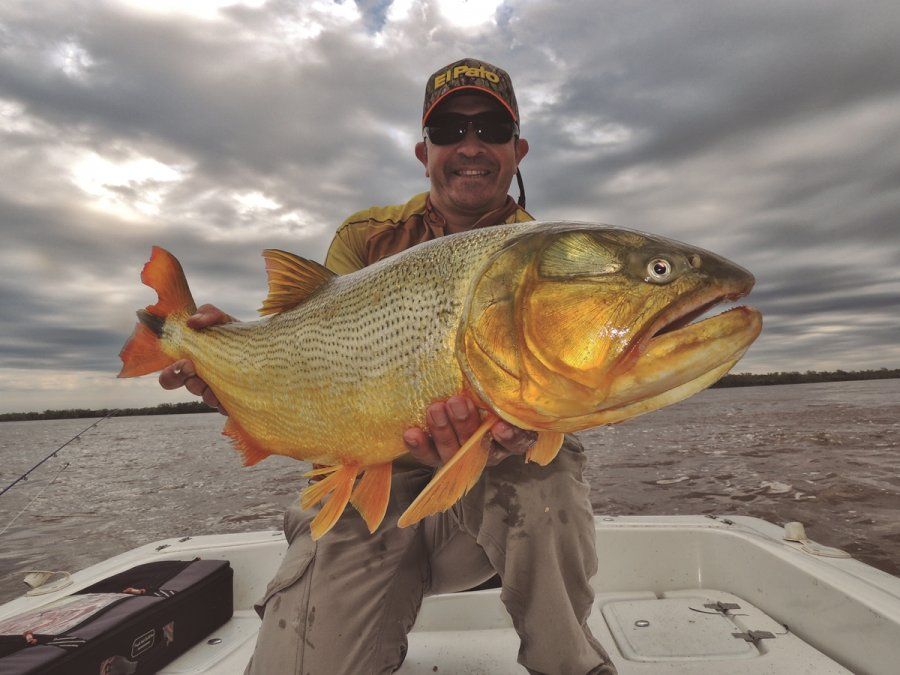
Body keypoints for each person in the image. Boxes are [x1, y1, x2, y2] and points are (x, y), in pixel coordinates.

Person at [159, 58, 615, 675]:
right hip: (370, 483)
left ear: (518, 149)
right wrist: (234, 376)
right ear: (422, 152)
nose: (471, 146)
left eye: (491, 130)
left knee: (549, 473)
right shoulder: (366, 237)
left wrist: (518, 435)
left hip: (487, 495)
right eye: (450, 131)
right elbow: (317, 355)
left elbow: (564, 389)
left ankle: (572, 664)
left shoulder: (546, 254)